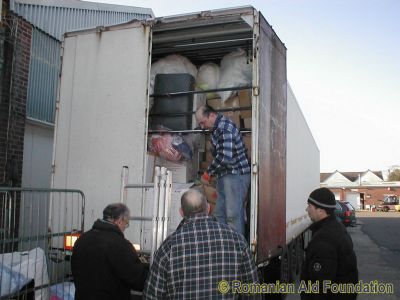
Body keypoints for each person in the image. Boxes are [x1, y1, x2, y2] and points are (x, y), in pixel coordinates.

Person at [143, 189, 259, 299]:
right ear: (208, 208)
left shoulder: (168, 247)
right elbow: (252, 291)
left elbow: (152, 295)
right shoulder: (237, 240)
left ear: (181, 212)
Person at [71, 203, 147, 300]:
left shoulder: (82, 239)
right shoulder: (120, 245)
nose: (125, 227)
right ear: (120, 221)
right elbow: (137, 279)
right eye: (126, 224)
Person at [195, 105, 250, 235]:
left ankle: (236, 251)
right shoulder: (216, 129)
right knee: (220, 214)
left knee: (232, 216)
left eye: (203, 122)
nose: (202, 127)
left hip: (236, 175)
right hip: (225, 175)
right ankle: (223, 246)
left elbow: (225, 157)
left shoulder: (224, 128)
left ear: (212, 115)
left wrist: (208, 173)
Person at [301, 187, 358, 299]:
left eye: (310, 206)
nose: (307, 209)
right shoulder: (336, 227)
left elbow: (320, 288)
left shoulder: (324, 240)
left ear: (321, 210)